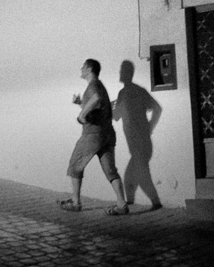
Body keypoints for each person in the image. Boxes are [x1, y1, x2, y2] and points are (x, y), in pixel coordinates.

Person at [59, 59, 128, 215]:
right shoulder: (100, 85)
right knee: (110, 171)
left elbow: (96, 98)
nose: (81, 69)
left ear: (89, 69)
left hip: (93, 134)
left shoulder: (93, 86)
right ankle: (121, 205)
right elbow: (98, 106)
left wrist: (81, 115)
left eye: (83, 67)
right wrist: (81, 103)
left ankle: (76, 202)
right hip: (107, 133)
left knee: (75, 165)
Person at [113, 60, 162, 210]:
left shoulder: (126, 93)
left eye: (122, 70)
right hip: (141, 143)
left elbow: (115, 115)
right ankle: (131, 203)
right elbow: (157, 109)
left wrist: (150, 127)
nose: (120, 73)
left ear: (128, 73)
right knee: (132, 176)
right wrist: (149, 127)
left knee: (141, 176)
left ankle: (154, 203)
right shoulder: (136, 91)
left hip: (139, 144)